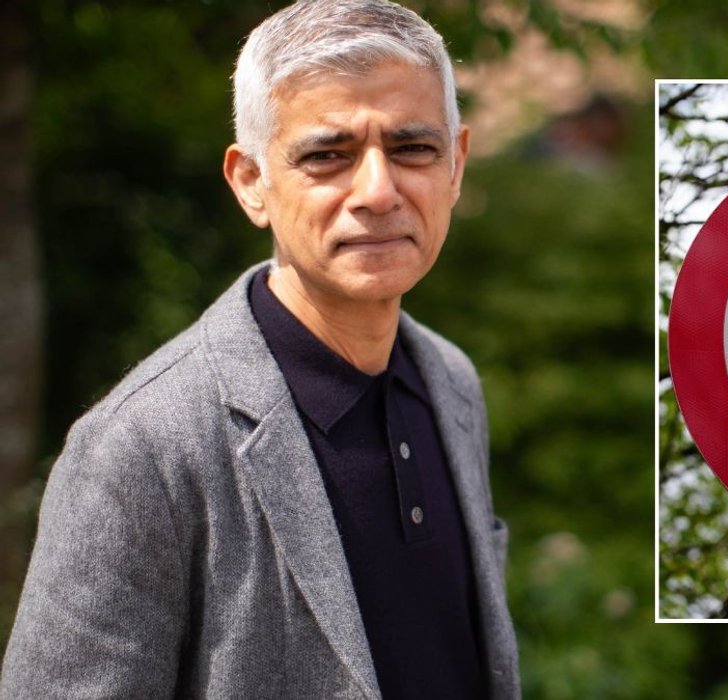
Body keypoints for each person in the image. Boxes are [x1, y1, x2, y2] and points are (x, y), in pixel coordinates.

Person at [0, 1, 518, 697]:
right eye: (327, 155)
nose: (376, 190)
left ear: (455, 164)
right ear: (251, 183)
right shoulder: (142, 447)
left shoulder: (450, 382)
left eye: (411, 148)